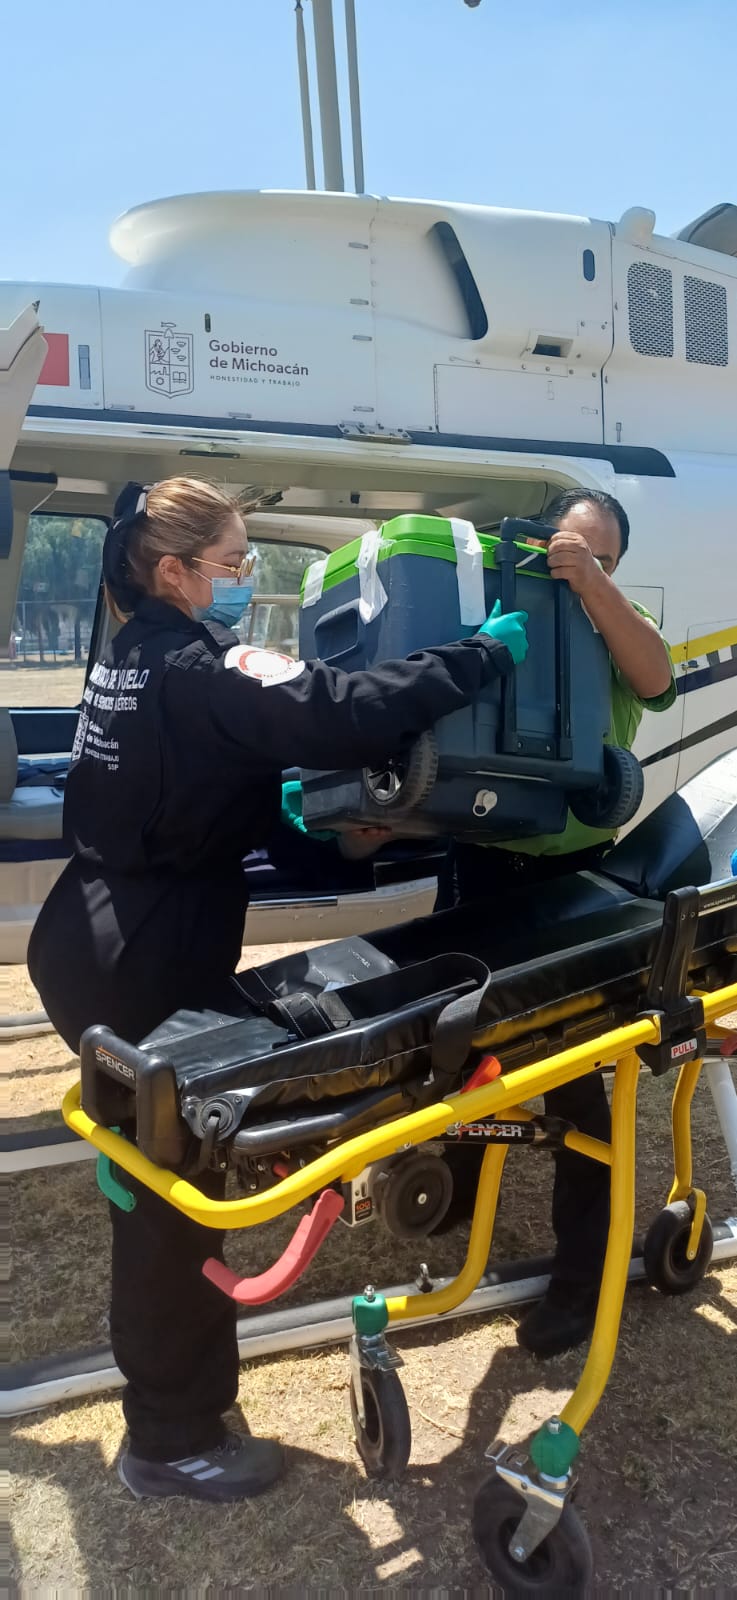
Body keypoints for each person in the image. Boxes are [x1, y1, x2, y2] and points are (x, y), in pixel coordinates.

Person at [28, 476, 528, 1504]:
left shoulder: (132, 655)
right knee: (174, 1201)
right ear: (175, 572)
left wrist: (318, 832)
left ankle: (172, 1409)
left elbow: (207, 779)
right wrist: (478, 657)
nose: (245, 577)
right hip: (147, 958)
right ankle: (171, 1438)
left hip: (91, 932)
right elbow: (340, 713)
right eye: (233, 562)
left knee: (147, 1181)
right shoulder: (199, 663)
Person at [434, 489, 677, 1357]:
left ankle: (582, 1280)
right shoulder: (498, 609)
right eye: (566, 548)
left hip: (568, 880)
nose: (577, 564)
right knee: (452, 1050)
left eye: (601, 556)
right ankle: (455, 1190)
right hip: (476, 863)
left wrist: (592, 586)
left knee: (573, 1084)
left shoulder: (621, 622)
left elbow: (656, 679)